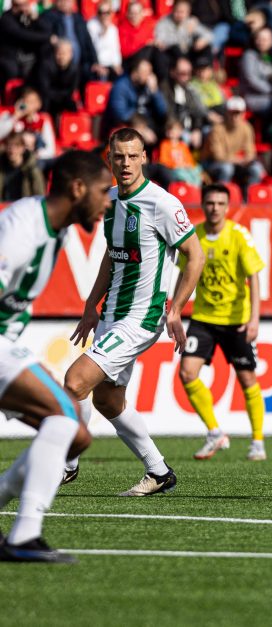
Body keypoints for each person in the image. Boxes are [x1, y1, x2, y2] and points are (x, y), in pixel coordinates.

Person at [61, 127, 206, 495]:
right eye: (119, 156)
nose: (125, 163)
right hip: (111, 314)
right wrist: (91, 306)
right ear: (109, 160)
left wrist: (176, 308)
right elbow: (113, 256)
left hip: (142, 318)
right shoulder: (109, 200)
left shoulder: (163, 203)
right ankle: (158, 472)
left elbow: (196, 256)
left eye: (133, 156)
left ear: (145, 158)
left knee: (75, 382)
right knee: (108, 400)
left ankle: (64, 464)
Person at [0, 150, 110, 562]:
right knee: (65, 419)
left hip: (7, 343)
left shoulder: (58, 227)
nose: (106, 202)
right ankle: (24, 536)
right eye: (102, 191)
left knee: (75, 433)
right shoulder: (20, 228)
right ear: (77, 188)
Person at [178, 184, 267, 461]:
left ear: (227, 207)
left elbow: (253, 277)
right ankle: (215, 433)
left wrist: (254, 319)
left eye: (219, 203)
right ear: (203, 205)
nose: (214, 208)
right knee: (187, 373)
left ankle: (257, 442)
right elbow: (184, 276)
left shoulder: (239, 235)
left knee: (247, 379)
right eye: (210, 203)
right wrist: (176, 310)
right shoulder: (194, 236)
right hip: (203, 318)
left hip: (235, 320)